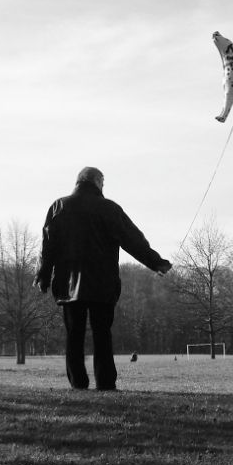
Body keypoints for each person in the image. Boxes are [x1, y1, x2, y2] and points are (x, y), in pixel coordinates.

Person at [33, 166, 172, 390]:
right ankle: (106, 382)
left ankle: (78, 383)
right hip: (102, 283)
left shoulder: (58, 206)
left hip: (69, 284)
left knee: (74, 335)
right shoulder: (109, 209)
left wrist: (43, 275)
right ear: (98, 182)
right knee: (102, 334)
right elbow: (132, 240)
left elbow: (48, 245)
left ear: (78, 181)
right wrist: (155, 262)